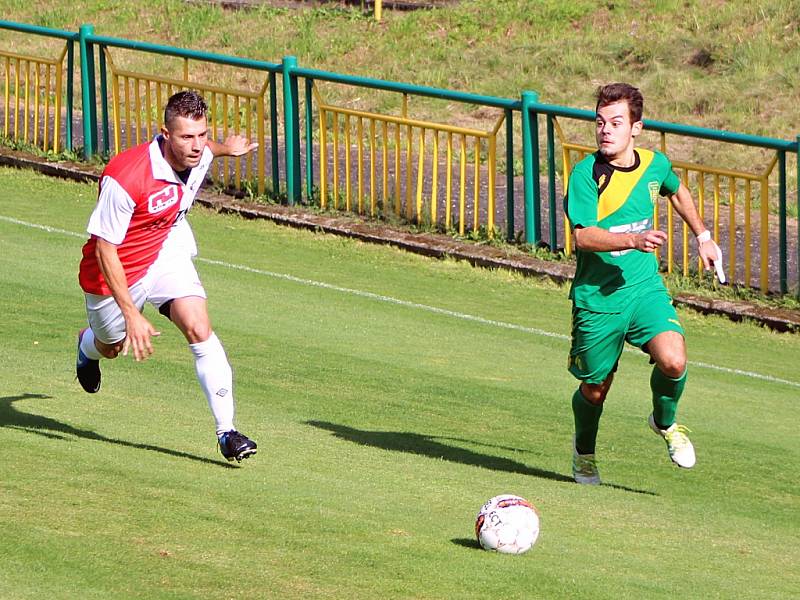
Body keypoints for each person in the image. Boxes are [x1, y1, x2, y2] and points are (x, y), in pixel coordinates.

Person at [76, 90, 259, 463]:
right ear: (164, 134)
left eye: (202, 135)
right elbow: (104, 249)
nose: (197, 146)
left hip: (166, 247)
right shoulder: (126, 177)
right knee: (111, 347)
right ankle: (86, 347)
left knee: (199, 327)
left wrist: (229, 147)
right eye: (186, 137)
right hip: (117, 272)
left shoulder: (200, 152)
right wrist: (131, 313)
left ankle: (228, 432)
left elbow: (211, 151)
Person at [563, 82, 724, 485]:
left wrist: (703, 236)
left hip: (643, 289)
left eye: (616, 122)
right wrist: (632, 240)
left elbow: (676, 190)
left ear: (636, 127)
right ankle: (584, 454)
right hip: (598, 299)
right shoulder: (586, 175)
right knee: (596, 389)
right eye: (600, 122)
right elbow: (583, 236)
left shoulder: (654, 164)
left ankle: (665, 423)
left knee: (674, 359)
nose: (605, 130)